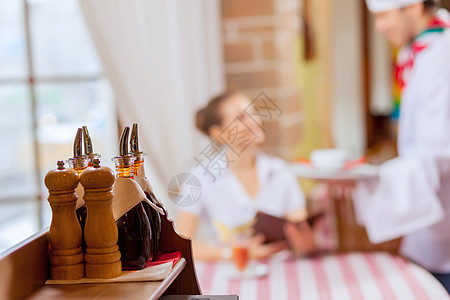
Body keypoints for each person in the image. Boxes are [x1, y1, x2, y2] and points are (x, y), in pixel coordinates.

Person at [356, 0, 450, 292]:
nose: (379, 27)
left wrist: (371, 183)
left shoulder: (444, 57)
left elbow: (438, 151)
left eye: (384, 15)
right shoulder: (420, 51)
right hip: (430, 231)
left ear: (414, 7)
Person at [175, 91, 316, 260]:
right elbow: (180, 245)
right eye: (241, 118)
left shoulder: (281, 172)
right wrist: (235, 253)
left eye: (253, 113)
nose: (254, 121)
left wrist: (306, 244)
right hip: (232, 275)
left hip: (282, 272)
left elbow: (302, 234)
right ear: (218, 133)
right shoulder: (199, 178)